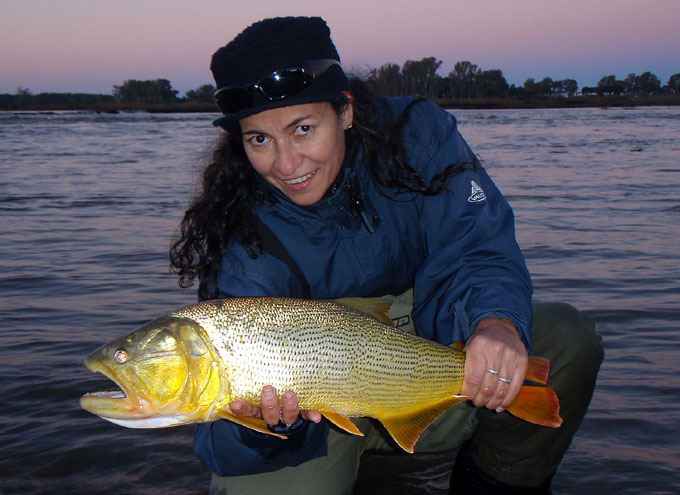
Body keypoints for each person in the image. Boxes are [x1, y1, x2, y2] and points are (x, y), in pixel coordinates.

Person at [170, 16, 603, 495]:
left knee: (566, 343)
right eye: (259, 139)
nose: (286, 164)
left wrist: (496, 322)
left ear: (346, 111)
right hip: (317, 410)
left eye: (303, 128)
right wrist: (269, 424)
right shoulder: (238, 225)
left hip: (427, 349)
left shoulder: (417, 135)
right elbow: (220, 442)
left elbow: (477, 244)